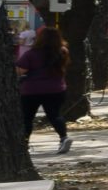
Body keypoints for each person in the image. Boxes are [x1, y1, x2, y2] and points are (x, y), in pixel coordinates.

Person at [17, 24, 70, 153]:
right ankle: (64, 137)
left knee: (27, 117)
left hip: (32, 89)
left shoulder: (31, 54)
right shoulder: (63, 51)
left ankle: (24, 144)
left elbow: (20, 70)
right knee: (55, 115)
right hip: (56, 89)